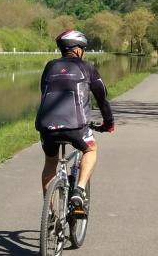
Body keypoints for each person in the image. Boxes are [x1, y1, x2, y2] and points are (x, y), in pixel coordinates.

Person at [36, 29, 114, 214]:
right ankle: (78, 190)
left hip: (47, 126)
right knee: (90, 149)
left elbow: (44, 92)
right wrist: (108, 123)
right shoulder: (87, 67)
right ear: (78, 50)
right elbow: (102, 98)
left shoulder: (49, 67)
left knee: (50, 161)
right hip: (76, 126)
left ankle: (52, 212)